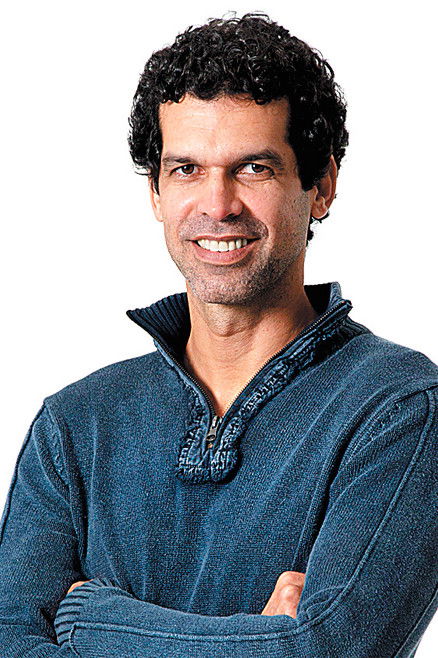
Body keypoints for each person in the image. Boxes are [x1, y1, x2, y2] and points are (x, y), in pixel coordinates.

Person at [0, 12, 437, 658]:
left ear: (321, 186)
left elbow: (326, 650)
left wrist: (91, 619)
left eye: (253, 168)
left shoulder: (399, 409)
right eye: (185, 170)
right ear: (155, 192)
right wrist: (261, 641)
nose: (218, 204)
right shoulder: (75, 426)